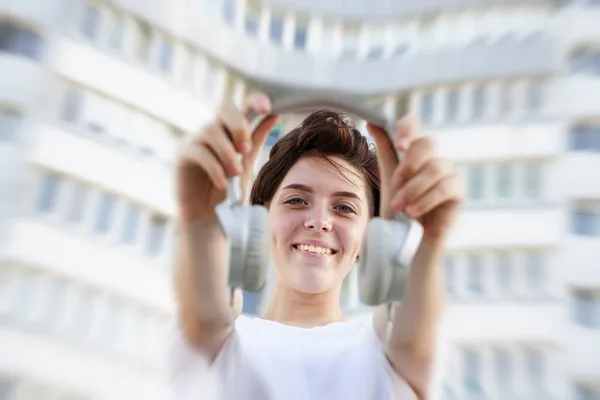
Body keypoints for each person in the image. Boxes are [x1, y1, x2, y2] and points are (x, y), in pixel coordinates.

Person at [168, 92, 463, 400]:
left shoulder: (388, 350)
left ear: (370, 238)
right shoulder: (219, 342)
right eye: (297, 200)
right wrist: (203, 225)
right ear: (260, 219)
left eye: (345, 208)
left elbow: (413, 341)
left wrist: (426, 245)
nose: (319, 221)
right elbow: (206, 316)